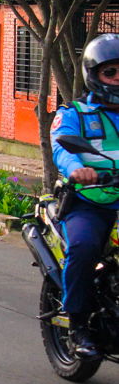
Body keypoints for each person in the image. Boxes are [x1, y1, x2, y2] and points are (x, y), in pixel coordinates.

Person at [50, 33, 119, 361]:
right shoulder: (74, 113)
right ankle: (76, 326)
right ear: (94, 75)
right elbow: (62, 145)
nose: (118, 78)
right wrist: (77, 169)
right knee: (84, 247)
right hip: (89, 203)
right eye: (111, 72)